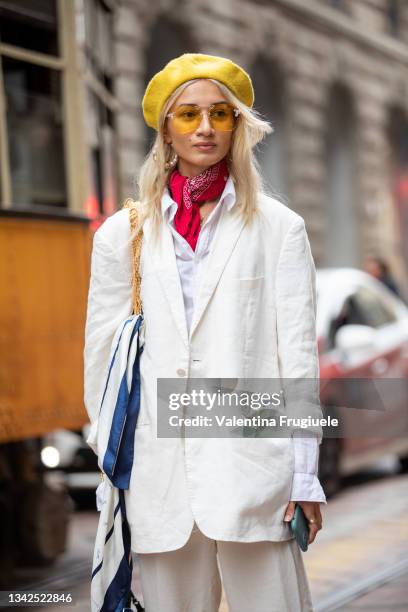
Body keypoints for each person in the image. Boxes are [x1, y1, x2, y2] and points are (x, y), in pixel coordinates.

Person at [84, 53, 326, 612]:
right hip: (158, 473)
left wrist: (304, 474)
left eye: (221, 113)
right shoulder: (122, 235)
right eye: (188, 114)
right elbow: (101, 360)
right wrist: (111, 464)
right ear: (166, 129)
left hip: (255, 470)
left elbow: (297, 359)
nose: (205, 127)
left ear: (238, 125)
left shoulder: (279, 229)